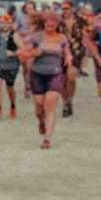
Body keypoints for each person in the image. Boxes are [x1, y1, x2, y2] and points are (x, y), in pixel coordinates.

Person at [19, 10, 70, 149]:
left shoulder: (62, 38)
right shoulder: (36, 37)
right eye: (48, 26)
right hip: (37, 73)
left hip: (55, 74)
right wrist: (34, 52)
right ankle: (41, 121)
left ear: (57, 25)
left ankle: (47, 138)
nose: (51, 28)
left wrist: (68, 58)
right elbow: (24, 54)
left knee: (50, 106)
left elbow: (67, 52)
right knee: (39, 107)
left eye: (54, 26)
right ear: (44, 24)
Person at [0, 14, 21, 119]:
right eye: (3, 23)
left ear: (10, 24)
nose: (5, 25)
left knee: (10, 88)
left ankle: (13, 106)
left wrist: (14, 52)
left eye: (7, 23)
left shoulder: (14, 36)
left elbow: (24, 48)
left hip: (11, 66)